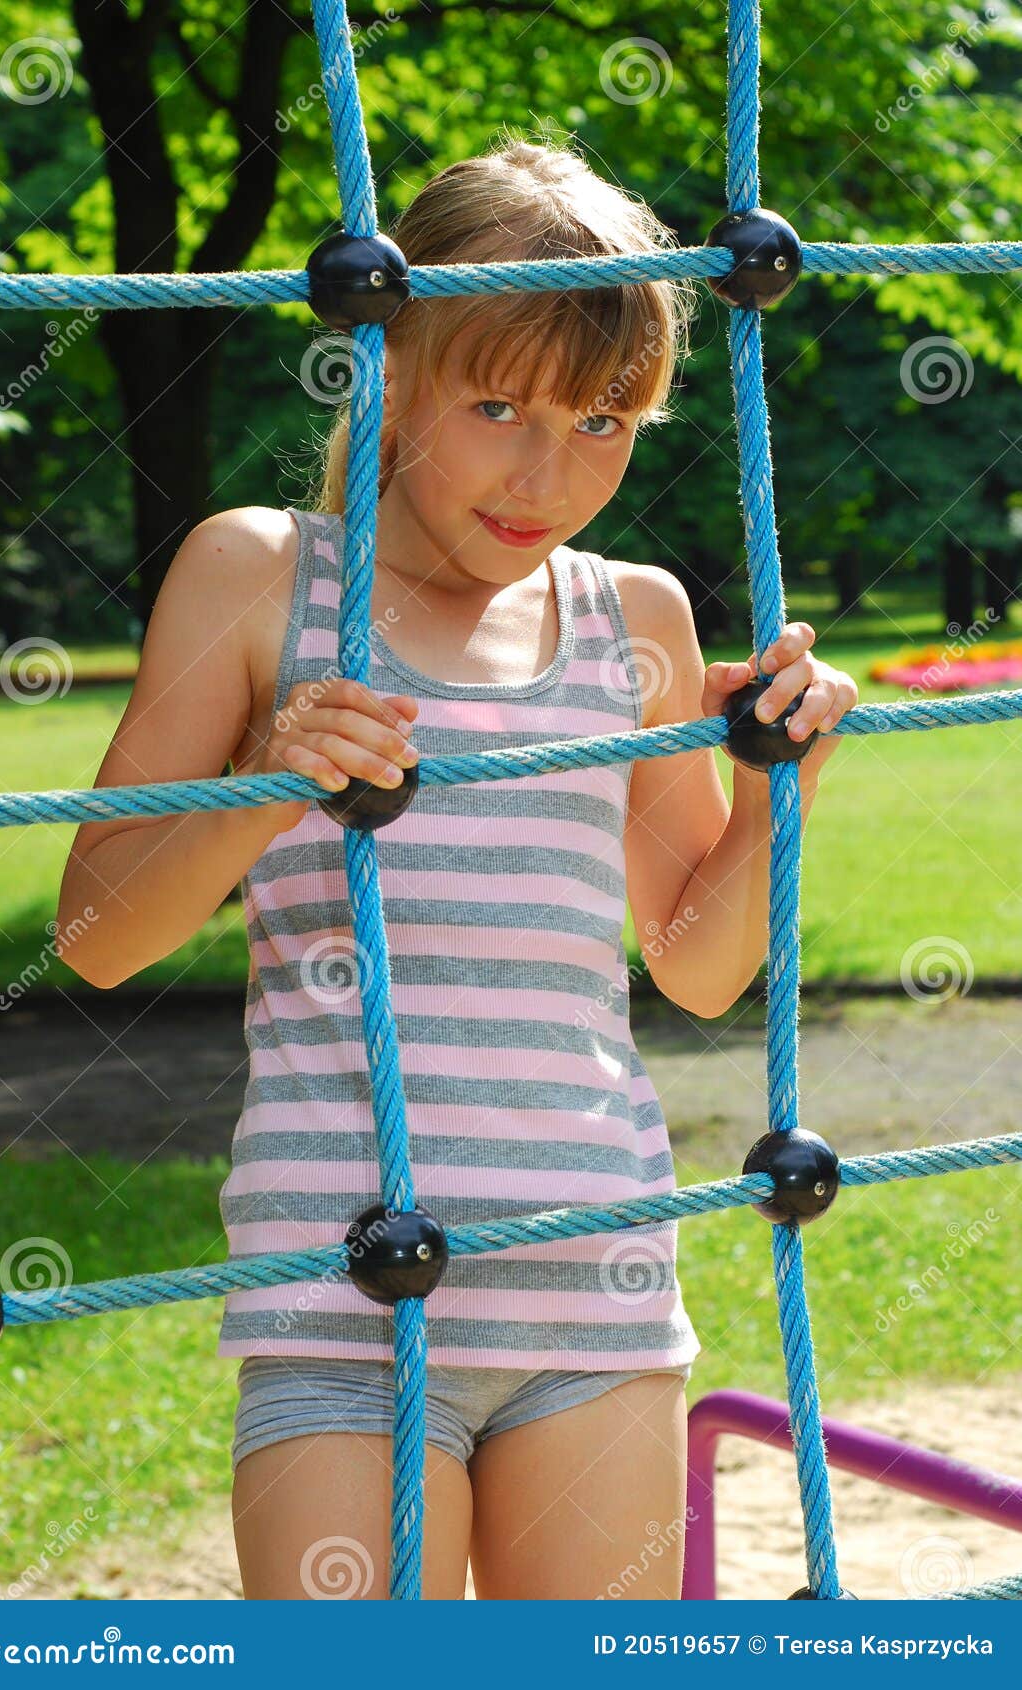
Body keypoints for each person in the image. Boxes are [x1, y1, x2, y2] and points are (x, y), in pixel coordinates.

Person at [56, 134, 858, 1602]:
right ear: (388, 371)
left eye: (606, 422)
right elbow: (98, 936)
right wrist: (270, 785)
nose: (548, 473)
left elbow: (694, 959)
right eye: (496, 405)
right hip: (340, 1285)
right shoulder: (259, 578)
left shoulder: (640, 617)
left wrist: (774, 796)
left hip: (592, 1271)